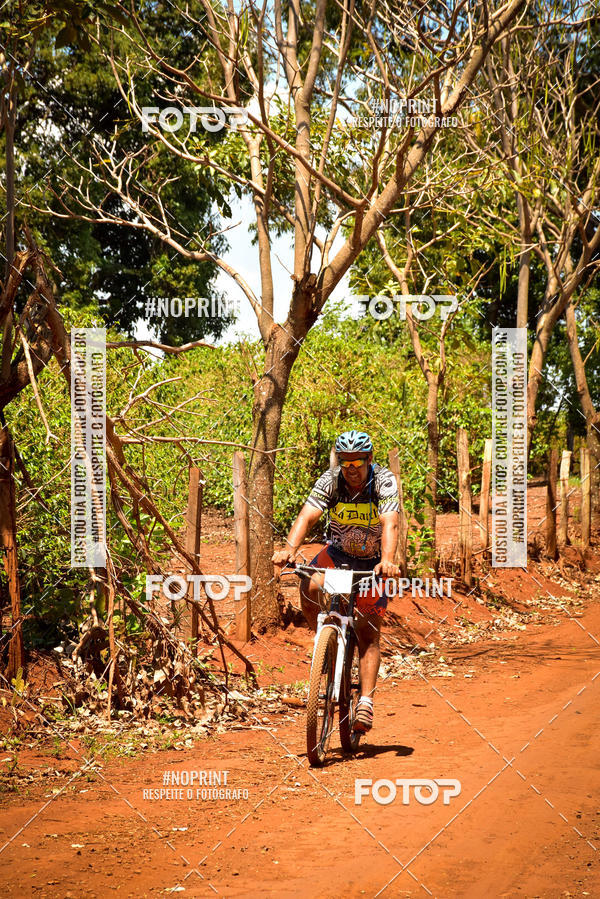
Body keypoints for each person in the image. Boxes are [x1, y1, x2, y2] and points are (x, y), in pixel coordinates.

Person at [272, 430, 399, 733]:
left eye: (357, 462)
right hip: (338, 553)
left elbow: (390, 523)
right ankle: (325, 640)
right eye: (346, 463)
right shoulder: (330, 480)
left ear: (369, 459)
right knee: (308, 582)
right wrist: (290, 549)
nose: (352, 469)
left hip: (373, 561)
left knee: (368, 632)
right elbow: (307, 517)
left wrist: (388, 559)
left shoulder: (383, 481)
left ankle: (366, 701)